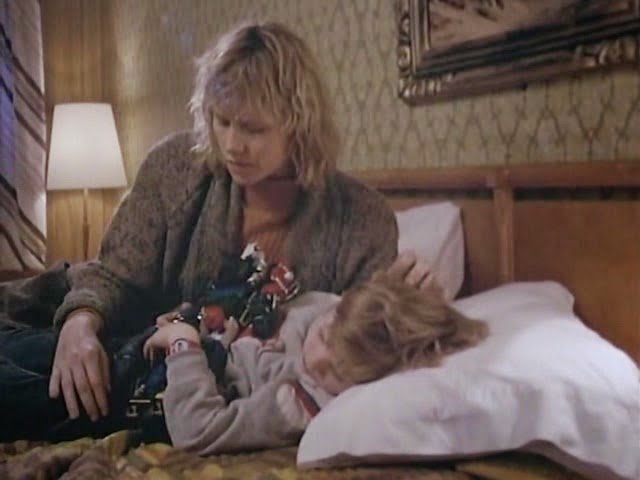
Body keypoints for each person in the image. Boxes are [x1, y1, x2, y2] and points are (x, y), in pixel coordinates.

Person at [0, 20, 436, 440]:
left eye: (252, 128)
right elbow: (115, 274)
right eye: (221, 121)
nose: (231, 144)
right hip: (123, 339)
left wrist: (418, 305)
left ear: (299, 124)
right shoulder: (176, 167)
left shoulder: (361, 218)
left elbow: (366, 338)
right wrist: (80, 323)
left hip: (170, 388)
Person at [142, 272, 489, 455]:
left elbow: (198, 430)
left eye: (337, 371)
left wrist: (182, 342)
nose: (316, 361)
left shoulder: (297, 402)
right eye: (323, 335)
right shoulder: (333, 315)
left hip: (158, 389)